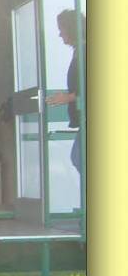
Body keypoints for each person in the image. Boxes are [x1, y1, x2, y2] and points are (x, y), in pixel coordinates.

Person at [46, 9, 86, 173]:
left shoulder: (85, 51)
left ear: (71, 28)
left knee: (79, 158)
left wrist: (67, 97)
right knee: (78, 157)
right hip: (85, 117)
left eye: (61, 29)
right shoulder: (80, 51)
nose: (60, 34)